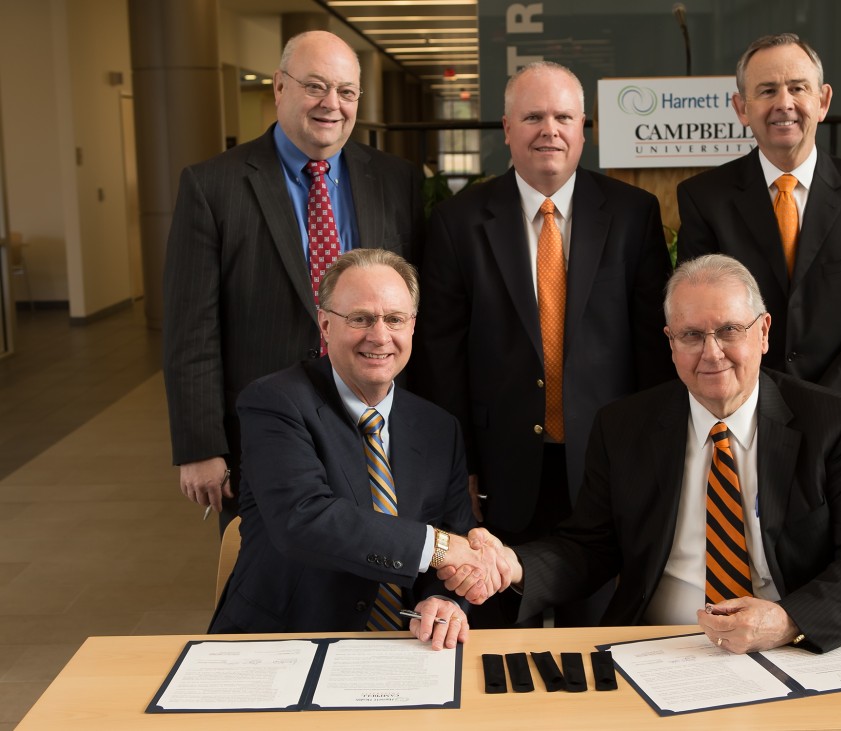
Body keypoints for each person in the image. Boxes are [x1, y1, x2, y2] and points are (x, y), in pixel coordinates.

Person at [443, 254, 841, 654]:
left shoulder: (833, 423)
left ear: (763, 332)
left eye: (729, 330)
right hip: (656, 644)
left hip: (788, 646)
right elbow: (590, 547)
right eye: (691, 335)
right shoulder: (625, 426)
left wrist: (788, 619)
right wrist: (516, 565)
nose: (711, 353)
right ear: (669, 342)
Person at [412, 61, 674, 626]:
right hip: (499, 472)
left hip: (604, 469)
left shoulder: (633, 216)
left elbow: (654, 353)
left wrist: (648, 457)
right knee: (493, 621)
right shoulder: (458, 223)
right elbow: (441, 356)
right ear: (506, 128)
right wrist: (461, 467)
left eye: (562, 116)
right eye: (532, 116)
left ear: (584, 127)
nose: (548, 130)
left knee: (598, 630)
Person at [163, 30, 423, 531]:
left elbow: (413, 311)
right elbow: (191, 328)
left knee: (375, 568)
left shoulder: (396, 180)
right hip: (263, 431)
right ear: (280, 87)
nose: (332, 104)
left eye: (347, 92)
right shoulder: (212, 185)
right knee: (269, 581)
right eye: (315, 86)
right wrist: (201, 445)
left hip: (376, 423)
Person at [209, 249, 509, 649]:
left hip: (402, 645)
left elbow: (453, 535)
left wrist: (444, 598)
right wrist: (437, 547)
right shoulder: (274, 402)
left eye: (395, 319)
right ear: (326, 324)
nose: (380, 336)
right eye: (361, 318)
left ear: (413, 327)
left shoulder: (439, 428)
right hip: (284, 639)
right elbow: (304, 518)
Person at [676, 33, 841, 459]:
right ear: (742, 109)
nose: (784, 102)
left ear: (822, 101)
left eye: (798, 88)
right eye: (767, 90)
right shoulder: (704, 199)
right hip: (743, 422)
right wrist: (762, 406)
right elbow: (700, 321)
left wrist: (821, 406)